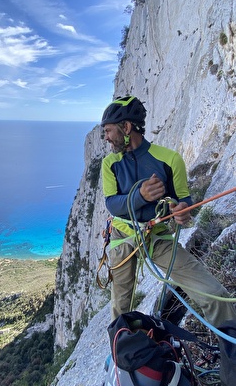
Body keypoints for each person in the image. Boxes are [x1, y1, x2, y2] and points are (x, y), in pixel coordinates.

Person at [101, 95, 236, 327]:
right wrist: (140, 196)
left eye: (109, 130)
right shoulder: (110, 164)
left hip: (156, 237)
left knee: (216, 295)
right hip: (122, 237)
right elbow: (112, 204)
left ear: (126, 127)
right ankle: (126, 357)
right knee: (120, 311)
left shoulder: (169, 160)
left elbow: (184, 201)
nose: (105, 137)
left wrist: (182, 211)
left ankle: (231, 356)